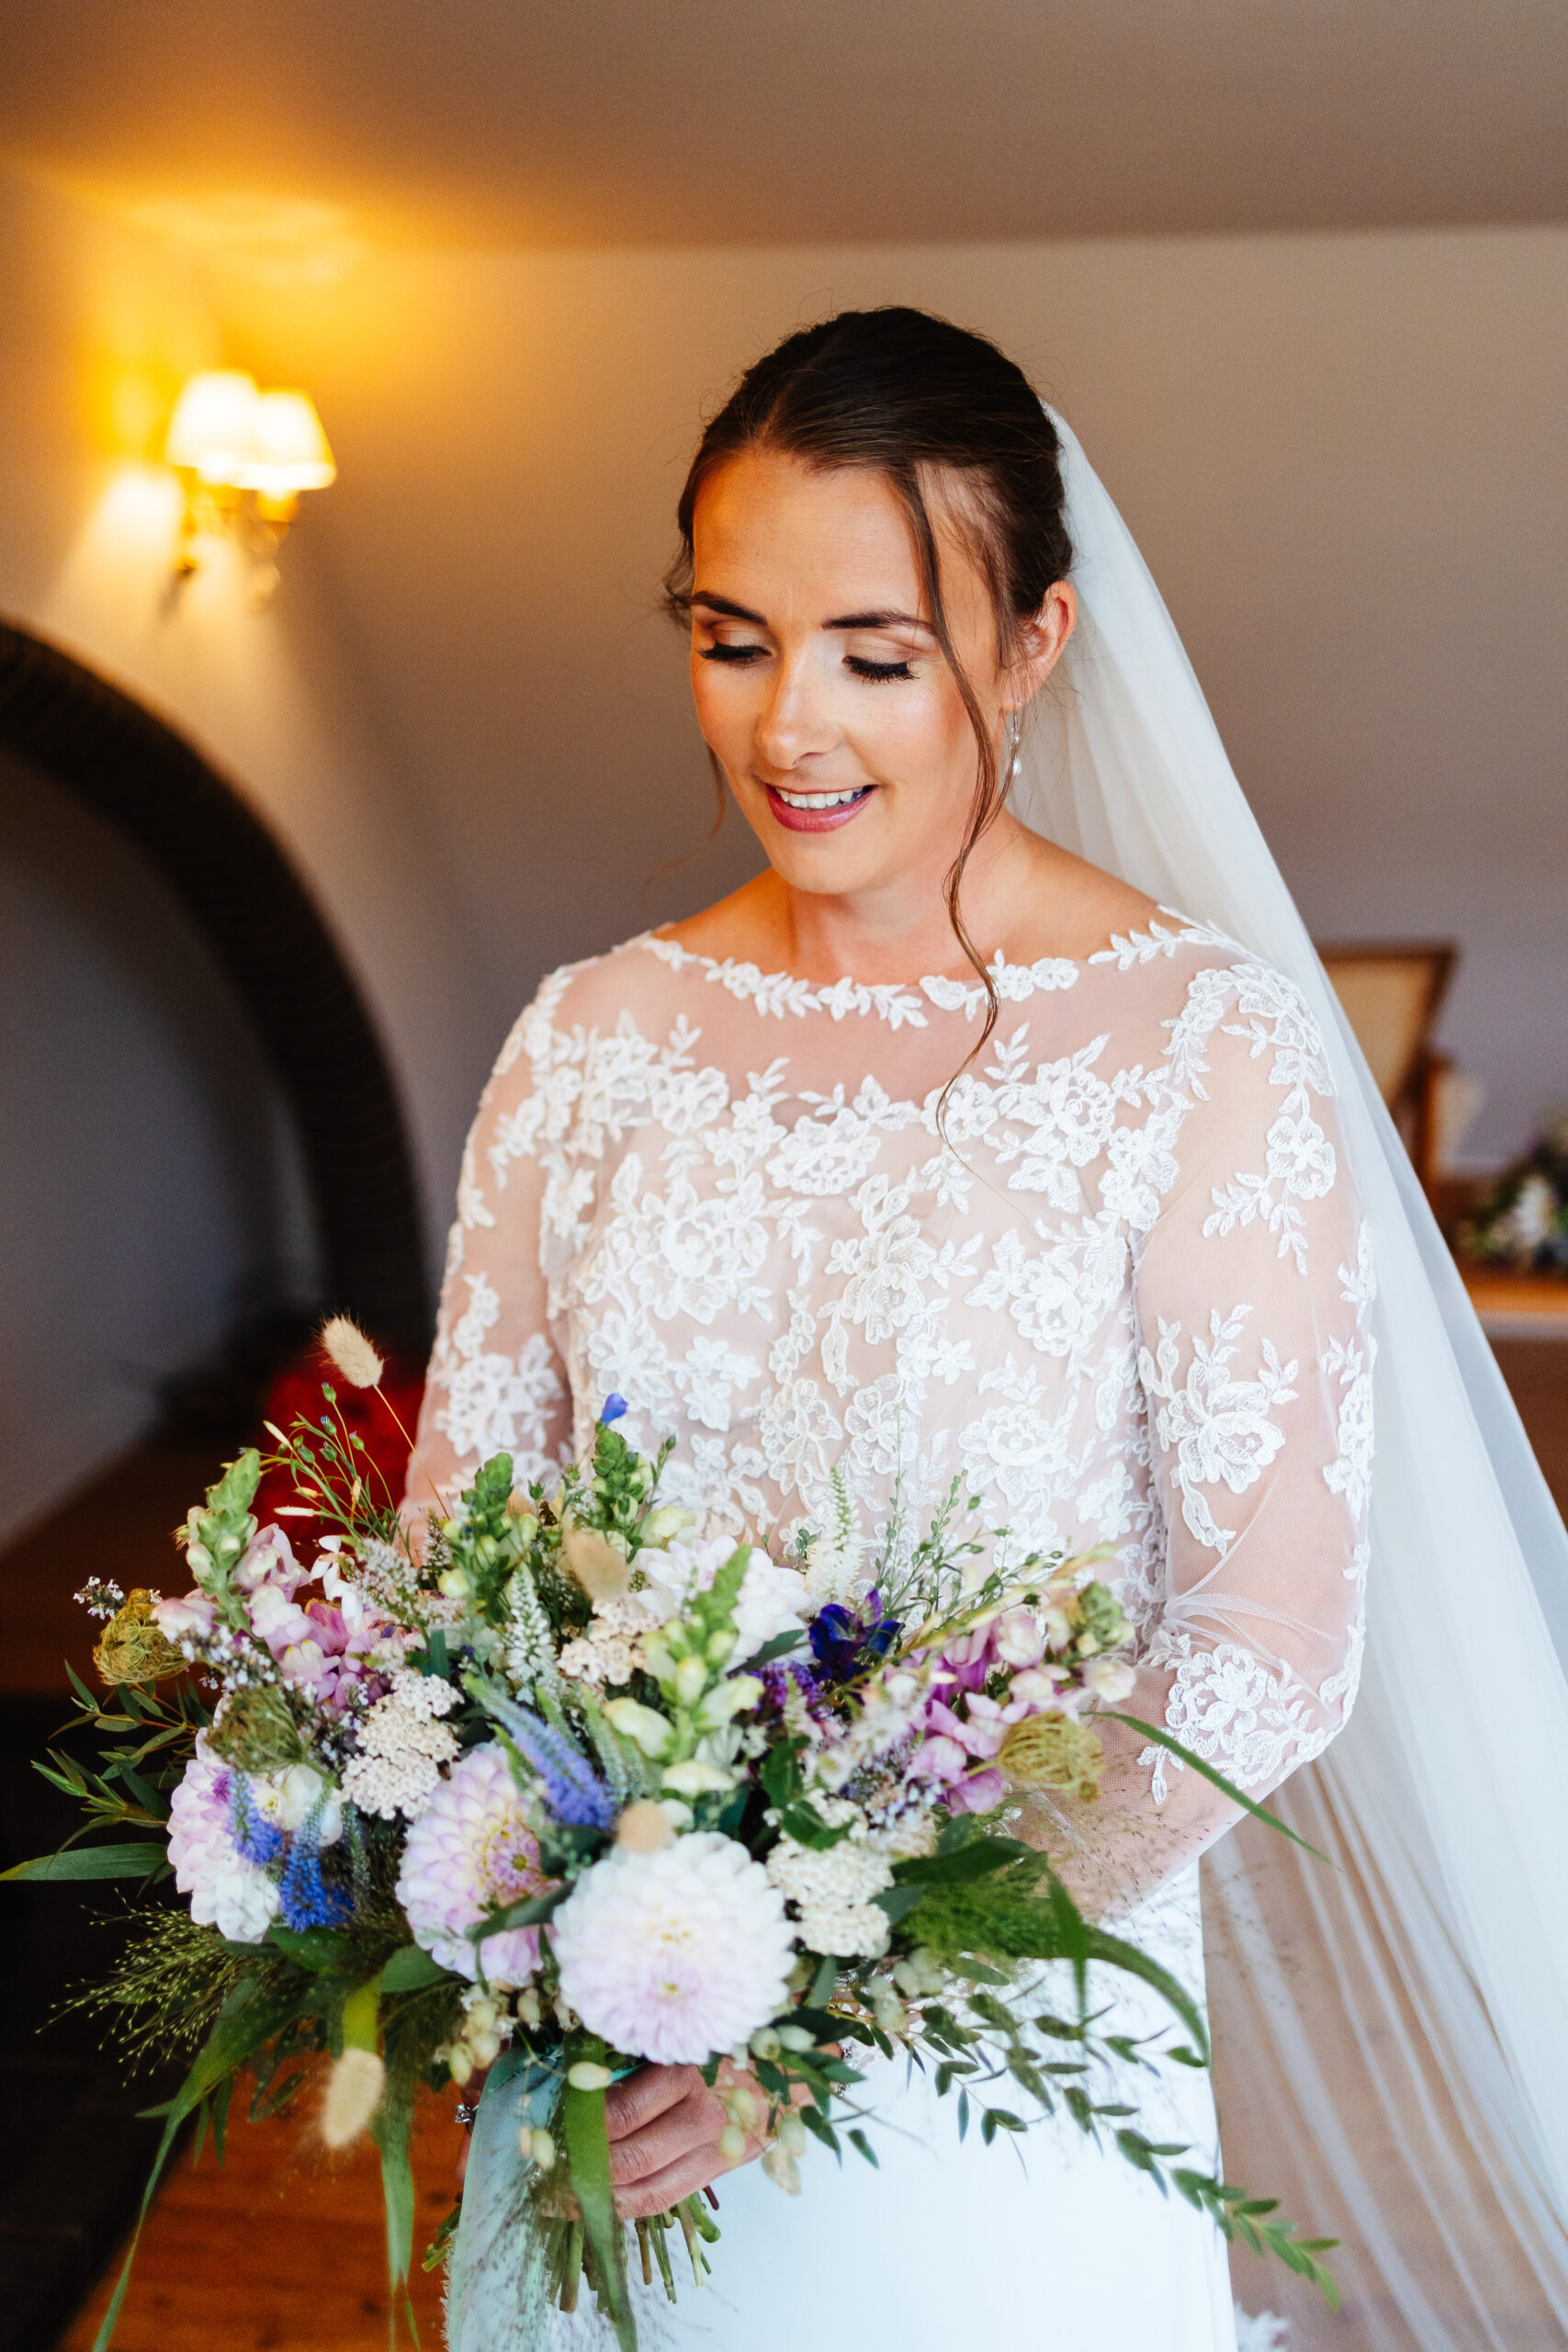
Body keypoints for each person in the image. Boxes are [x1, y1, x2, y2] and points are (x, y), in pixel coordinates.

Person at [410, 310, 1568, 2348]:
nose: (789, 726)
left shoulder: (1192, 1046)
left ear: (1029, 645)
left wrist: (833, 1996)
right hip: (608, 2053)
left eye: (876, 651)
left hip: (983, 2065)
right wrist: (510, 1927)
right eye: (730, 635)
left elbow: (1261, 1642)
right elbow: (458, 1558)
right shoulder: (586, 1040)